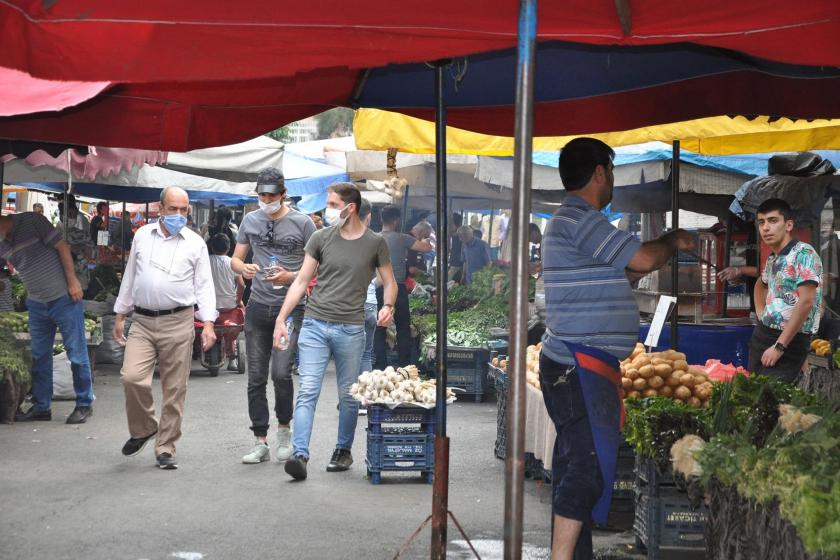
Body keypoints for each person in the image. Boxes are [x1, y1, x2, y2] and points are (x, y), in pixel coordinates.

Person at [542, 138, 695, 560]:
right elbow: (643, 260)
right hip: (578, 364)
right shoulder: (581, 219)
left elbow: (626, 270)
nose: (612, 180)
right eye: (610, 171)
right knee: (587, 470)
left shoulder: (574, 223)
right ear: (599, 172)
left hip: (580, 362)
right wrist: (672, 240)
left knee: (578, 465)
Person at [272, 182, 397, 480]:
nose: (327, 210)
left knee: (349, 395)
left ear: (349, 207)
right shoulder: (320, 238)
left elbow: (390, 281)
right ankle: (300, 455)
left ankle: (343, 450)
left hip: (352, 328)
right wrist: (281, 318)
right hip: (315, 324)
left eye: (331, 204)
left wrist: (388, 306)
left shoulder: (375, 243)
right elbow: (301, 281)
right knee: (308, 391)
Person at [112, 187, 217, 470]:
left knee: (174, 388)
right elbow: (132, 274)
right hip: (143, 321)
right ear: (160, 209)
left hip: (178, 320)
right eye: (173, 209)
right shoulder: (142, 236)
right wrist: (121, 313)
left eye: (184, 210)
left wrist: (208, 323)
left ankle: (166, 446)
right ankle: (145, 427)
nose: (179, 215)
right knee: (132, 378)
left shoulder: (195, 243)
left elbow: (204, 286)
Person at [231, 167, 317, 464]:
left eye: (271, 195)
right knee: (255, 377)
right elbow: (235, 259)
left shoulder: (304, 223)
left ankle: (284, 431)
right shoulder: (250, 221)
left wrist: (290, 276)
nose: (265, 200)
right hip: (257, 307)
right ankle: (260, 440)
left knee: (280, 373)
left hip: (291, 309)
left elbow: (316, 267)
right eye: (261, 195)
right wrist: (242, 269)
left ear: (283, 195)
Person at [0, 211, 94, 424]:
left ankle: (84, 404)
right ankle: (42, 407)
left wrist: (73, 282)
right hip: (36, 303)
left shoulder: (32, 221)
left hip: (64, 297)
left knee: (76, 354)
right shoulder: (2, 242)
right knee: (39, 356)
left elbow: (62, 247)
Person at [748, 198, 823, 383]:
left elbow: (806, 301)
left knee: (777, 402)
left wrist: (780, 346)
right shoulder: (774, 258)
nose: (766, 228)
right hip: (763, 334)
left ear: (788, 225)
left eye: (773, 221)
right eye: (761, 222)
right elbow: (761, 283)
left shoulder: (804, 254)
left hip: (789, 340)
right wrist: (760, 312)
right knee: (752, 396)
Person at [374, 206, 433, 369]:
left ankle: (380, 367)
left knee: (379, 328)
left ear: (381, 219)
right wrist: (427, 239)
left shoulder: (373, 238)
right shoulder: (402, 238)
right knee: (402, 328)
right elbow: (427, 248)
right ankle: (404, 366)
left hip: (378, 287)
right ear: (396, 220)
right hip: (398, 288)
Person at [208, 233, 245, 370]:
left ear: (211, 247)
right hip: (229, 305)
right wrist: (238, 300)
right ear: (229, 248)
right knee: (232, 329)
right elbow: (241, 285)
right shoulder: (232, 263)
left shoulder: (205, 261)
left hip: (210, 306)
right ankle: (232, 359)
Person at [359, 200, 379, 379]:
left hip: (351, 305)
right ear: (369, 217)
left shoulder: (344, 239)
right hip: (371, 304)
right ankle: (365, 399)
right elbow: (382, 279)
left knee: (349, 356)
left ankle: (350, 398)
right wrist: (371, 284)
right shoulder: (376, 241)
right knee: (365, 353)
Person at [449, 213, 465, 281]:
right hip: (456, 257)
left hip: (458, 258)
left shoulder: (459, 231)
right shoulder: (457, 230)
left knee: (449, 276)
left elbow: (452, 234)